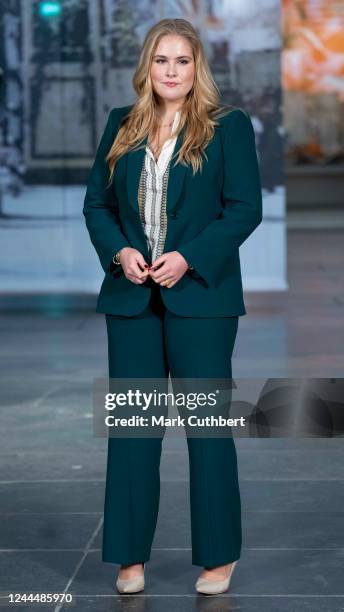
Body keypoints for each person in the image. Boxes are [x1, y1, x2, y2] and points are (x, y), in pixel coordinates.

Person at [83, 18, 262, 595]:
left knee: (207, 430)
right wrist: (120, 251)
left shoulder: (227, 126)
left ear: (197, 66)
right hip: (132, 298)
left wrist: (188, 257)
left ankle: (218, 557)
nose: (171, 71)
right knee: (135, 429)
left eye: (182, 61)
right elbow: (96, 206)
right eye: (161, 60)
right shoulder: (121, 124)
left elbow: (243, 208)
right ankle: (128, 558)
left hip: (202, 299)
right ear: (147, 66)